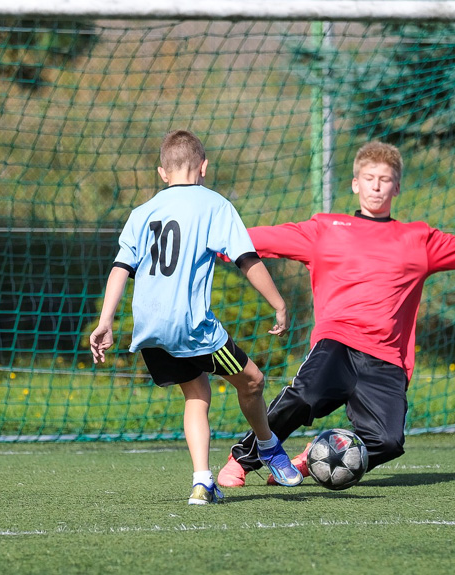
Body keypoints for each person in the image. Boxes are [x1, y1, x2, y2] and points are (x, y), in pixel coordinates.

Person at [217, 141, 455, 488]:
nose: (377, 188)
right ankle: (241, 460)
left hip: (387, 358)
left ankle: (314, 458)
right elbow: (259, 239)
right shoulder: (325, 230)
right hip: (338, 343)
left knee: (389, 441)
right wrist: (215, 246)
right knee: (306, 396)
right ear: (355, 184)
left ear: (397, 187)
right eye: (370, 180)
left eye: (385, 180)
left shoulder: (418, 239)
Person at [89, 129, 303, 504]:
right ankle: (268, 447)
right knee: (252, 381)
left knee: (197, 392)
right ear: (203, 167)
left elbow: (121, 267)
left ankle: (202, 481)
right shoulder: (214, 205)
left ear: (162, 172)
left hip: (149, 330)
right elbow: (246, 259)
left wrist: (105, 321)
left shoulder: (142, 212)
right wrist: (279, 303)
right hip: (190, 328)